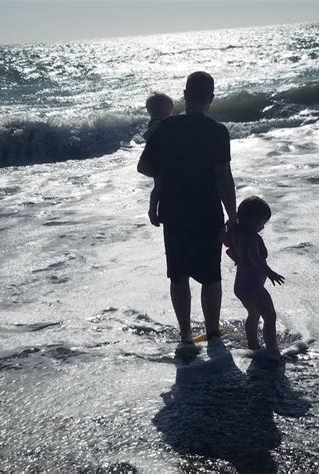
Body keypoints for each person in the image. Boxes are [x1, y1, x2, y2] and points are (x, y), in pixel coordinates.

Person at [137, 71, 237, 351]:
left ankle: (185, 336)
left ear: (184, 95)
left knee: (178, 274)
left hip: (174, 208)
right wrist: (232, 216)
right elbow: (223, 176)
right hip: (207, 208)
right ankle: (213, 333)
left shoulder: (165, 128)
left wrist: (168, 176)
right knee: (211, 274)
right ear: (211, 98)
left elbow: (143, 167)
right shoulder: (217, 131)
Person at [224, 196, 285, 357]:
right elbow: (254, 257)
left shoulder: (237, 233)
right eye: (262, 223)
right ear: (253, 221)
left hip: (241, 286)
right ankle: (272, 350)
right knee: (270, 317)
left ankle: (253, 346)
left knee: (253, 314)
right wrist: (270, 273)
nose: (263, 227)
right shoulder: (250, 237)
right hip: (253, 287)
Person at [143, 92, 174, 226]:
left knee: (159, 186)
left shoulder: (158, 122)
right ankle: (152, 211)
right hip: (159, 161)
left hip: (160, 159)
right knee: (159, 186)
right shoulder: (157, 123)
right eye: (169, 111)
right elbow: (147, 136)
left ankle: (153, 210)